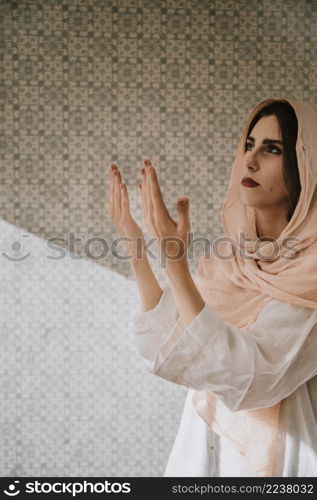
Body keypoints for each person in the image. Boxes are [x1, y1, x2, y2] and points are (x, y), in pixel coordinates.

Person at [107, 98, 317, 477]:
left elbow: (252, 377)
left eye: (272, 149)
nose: (250, 161)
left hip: (284, 459)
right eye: (249, 145)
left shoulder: (311, 274)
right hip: (203, 451)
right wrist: (136, 245)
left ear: (305, 165)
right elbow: (169, 339)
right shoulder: (227, 258)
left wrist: (176, 266)